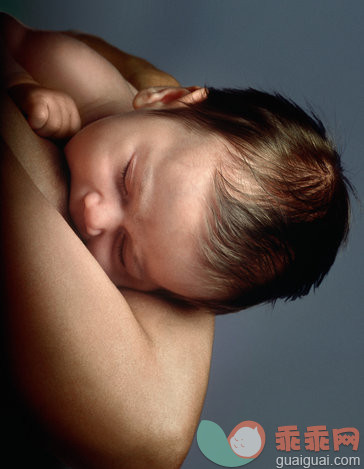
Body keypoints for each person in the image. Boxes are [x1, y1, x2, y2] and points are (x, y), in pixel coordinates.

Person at [0, 12, 352, 468]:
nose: (93, 214)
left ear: (169, 295)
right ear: (166, 98)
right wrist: (20, 83)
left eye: (125, 253)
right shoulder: (92, 86)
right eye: (127, 178)